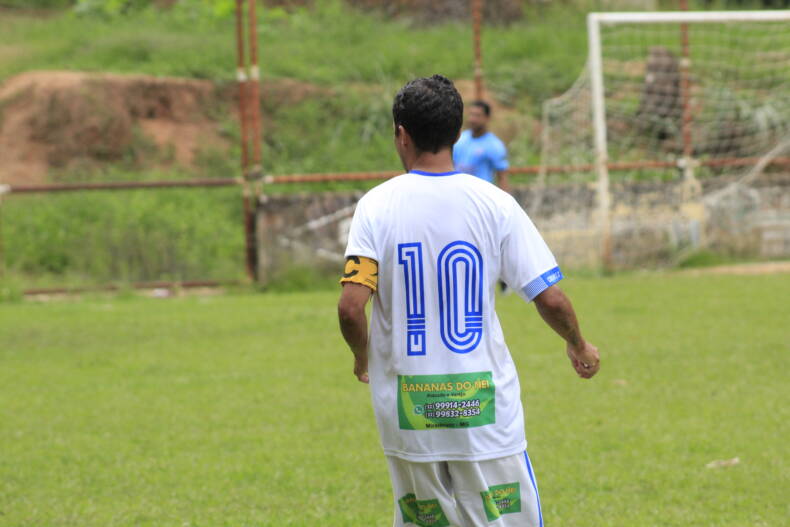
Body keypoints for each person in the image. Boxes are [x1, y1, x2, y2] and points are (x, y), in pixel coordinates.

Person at [337, 74, 600, 527]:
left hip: (407, 414)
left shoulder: (375, 207)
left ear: (401, 134)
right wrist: (578, 343)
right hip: (484, 412)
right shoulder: (496, 204)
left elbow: (349, 308)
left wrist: (363, 359)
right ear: (457, 133)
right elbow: (551, 298)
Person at [452, 100, 510, 189]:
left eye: (477, 115)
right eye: (471, 114)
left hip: (480, 194)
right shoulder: (459, 139)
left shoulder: (495, 145)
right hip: (458, 191)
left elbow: (502, 177)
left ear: (487, 118)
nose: (472, 119)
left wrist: (505, 197)